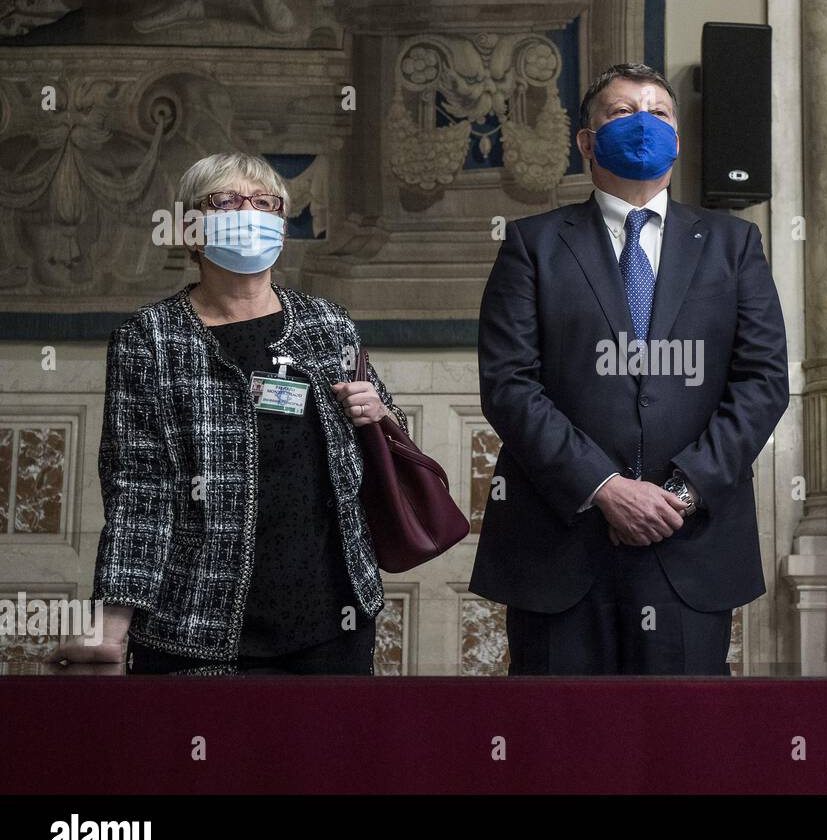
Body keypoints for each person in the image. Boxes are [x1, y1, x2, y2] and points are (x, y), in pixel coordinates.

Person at [472, 63, 789, 675]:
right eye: (621, 113)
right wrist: (606, 488)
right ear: (586, 142)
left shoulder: (733, 243)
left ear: (678, 135)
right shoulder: (531, 244)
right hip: (561, 542)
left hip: (689, 540)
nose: (643, 123)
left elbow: (762, 380)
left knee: (681, 750)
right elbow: (509, 384)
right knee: (559, 750)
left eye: (659, 113)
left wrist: (679, 493)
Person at [48, 152, 405, 675]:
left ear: (282, 228)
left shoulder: (327, 323)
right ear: (192, 231)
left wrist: (381, 415)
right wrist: (110, 626)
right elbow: (138, 491)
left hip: (333, 620)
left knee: (325, 759)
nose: (250, 214)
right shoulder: (149, 339)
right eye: (226, 202)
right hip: (194, 623)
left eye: (265, 204)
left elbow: (388, 441)